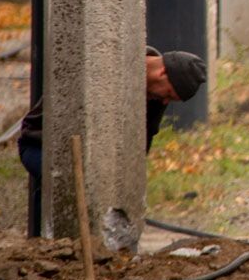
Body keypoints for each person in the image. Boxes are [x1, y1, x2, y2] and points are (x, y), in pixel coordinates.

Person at [17, 47, 206, 181]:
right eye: (169, 95)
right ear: (162, 73)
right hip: (42, 145)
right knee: (79, 186)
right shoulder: (111, 64)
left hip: (94, 161)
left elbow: (142, 142)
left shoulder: (155, 96)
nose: (165, 102)